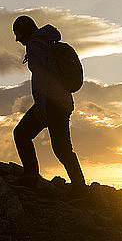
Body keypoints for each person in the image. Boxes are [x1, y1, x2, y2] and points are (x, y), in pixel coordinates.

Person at [12, 15, 86, 195]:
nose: (17, 38)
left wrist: (40, 105)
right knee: (62, 148)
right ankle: (80, 187)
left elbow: (41, 76)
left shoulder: (36, 44)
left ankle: (30, 177)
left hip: (50, 102)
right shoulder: (48, 42)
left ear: (25, 30)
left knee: (21, 134)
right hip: (64, 102)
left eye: (18, 33)